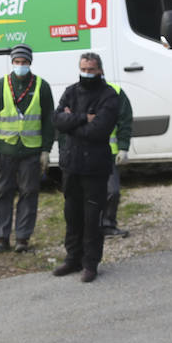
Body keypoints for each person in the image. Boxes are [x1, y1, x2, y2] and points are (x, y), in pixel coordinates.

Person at [52, 52, 120, 283]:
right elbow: (57, 119)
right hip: (71, 166)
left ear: (100, 70)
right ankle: (73, 259)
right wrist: (83, 118)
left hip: (95, 168)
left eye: (91, 69)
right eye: (83, 69)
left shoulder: (109, 96)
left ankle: (90, 264)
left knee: (93, 219)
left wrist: (72, 123)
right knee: (72, 215)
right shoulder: (71, 91)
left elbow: (98, 130)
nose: (86, 73)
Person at [0, 44, 55, 253]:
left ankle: (23, 238)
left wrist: (46, 151)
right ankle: (1, 237)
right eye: (17, 62)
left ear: (30, 63)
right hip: (5, 151)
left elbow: (49, 121)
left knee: (29, 194)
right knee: (2, 194)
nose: (20, 66)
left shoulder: (42, 86)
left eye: (24, 62)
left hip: (31, 153)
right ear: (12, 62)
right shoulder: (0, 86)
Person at [102, 75, 134, 238]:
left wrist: (123, 148)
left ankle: (107, 225)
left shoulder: (115, 92)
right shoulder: (76, 93)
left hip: (109, 153)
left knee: (112, 191)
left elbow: (125, 121)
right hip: (85, 153)